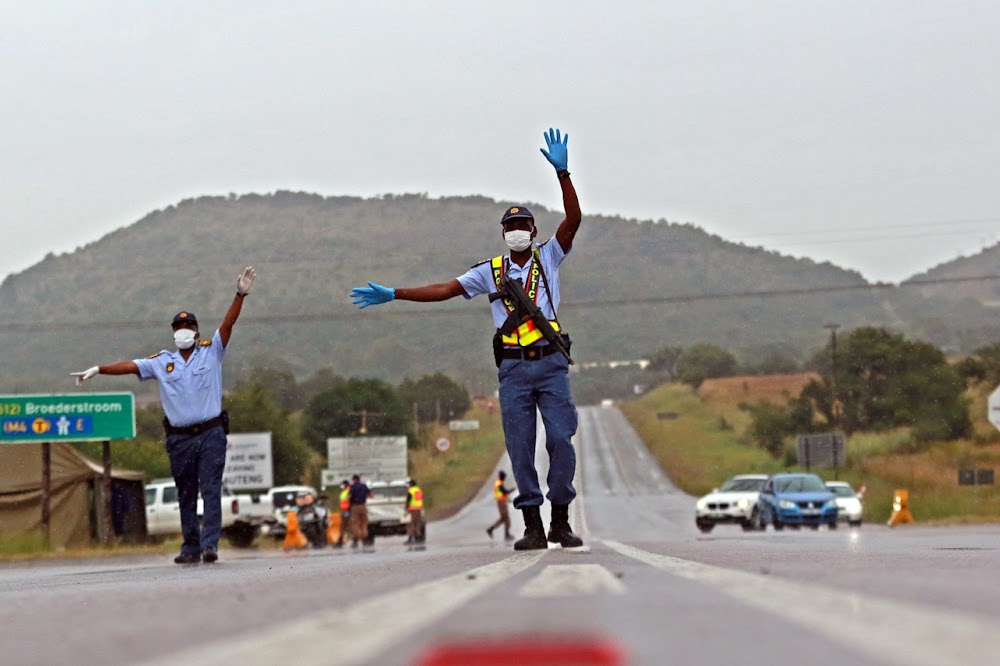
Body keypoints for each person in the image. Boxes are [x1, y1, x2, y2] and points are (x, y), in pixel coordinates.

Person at [350, 128, 583, 551]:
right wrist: (395, 294)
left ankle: (560, 520)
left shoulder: (547, 256)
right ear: (503, 233)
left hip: (550, 363)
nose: (517, 231)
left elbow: (574, 221)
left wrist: (563, 173)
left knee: (560, 438)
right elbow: (445, 289)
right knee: (519, 448)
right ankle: (532, 524)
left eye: (523, 225)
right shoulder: (489, 272)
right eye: (510, 226)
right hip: (513, 368)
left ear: (533, 231)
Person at [71, 266, 257, 564]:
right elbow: (131, 365)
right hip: (179, 438)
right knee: (185, 492)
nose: (183, 331)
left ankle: (210, 545)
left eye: (188, 326)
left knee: (210, 489)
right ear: (174, 333)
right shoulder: (162, 362)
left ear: (196, 332)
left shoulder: (212, 351)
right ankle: (190, 547)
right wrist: (99, 369)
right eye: (178, 327)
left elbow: (228, 324)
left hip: (211, 433)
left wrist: (240, 295)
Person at [487, 470, 516, 541]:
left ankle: (502, 532)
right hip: (501, 503)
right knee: (505, 518)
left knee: (504, 518)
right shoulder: (499, 484)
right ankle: (505, 533)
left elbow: (503, 493)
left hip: (502, 502)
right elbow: (505, 492)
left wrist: (508, 499)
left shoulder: (499, 483)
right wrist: (512, 490)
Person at [348, 474, 372, 549]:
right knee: (364, 523)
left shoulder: (352, 487)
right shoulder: (364, 486)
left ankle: (355, 540)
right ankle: (364, 538)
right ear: (359, 479)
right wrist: (363, 497)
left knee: (355, 524)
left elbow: (349, 497)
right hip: (363, 506)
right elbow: (370, 495)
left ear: (353, 479)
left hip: (354, 507)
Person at [405, 479, 425, 548]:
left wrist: (406, 508)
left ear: (411, 484)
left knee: (411, 524)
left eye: (409, 484)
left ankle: (410, 538)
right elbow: (422, 497)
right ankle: (418, 537)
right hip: (418, 509)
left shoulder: (411, 490)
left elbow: (408, 500)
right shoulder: (419, 490)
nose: (409, 485)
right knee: (418, 523)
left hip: (412, 509)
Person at [333, 479, 351, 548]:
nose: (342, 486)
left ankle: (340, 541)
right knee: (343, 527)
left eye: (343, 485)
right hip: (344, 511)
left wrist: (348, 511)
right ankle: (340, 541)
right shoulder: (345, 491)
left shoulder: (349, 491)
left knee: (344, 526)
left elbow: (349, 500)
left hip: (347, 511)